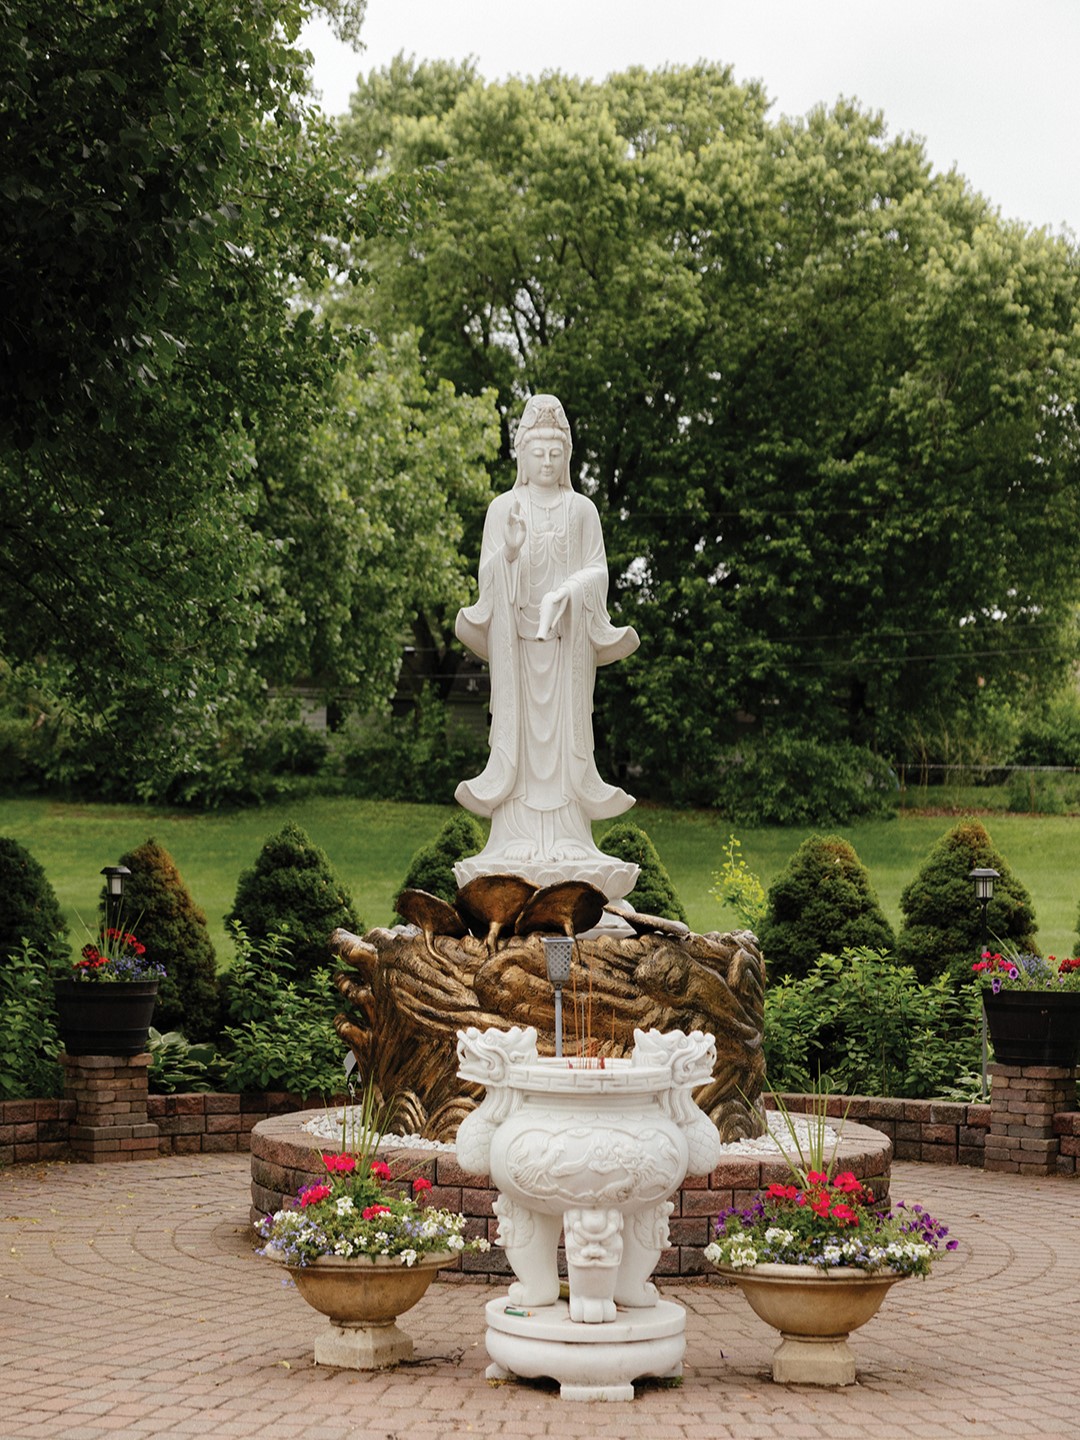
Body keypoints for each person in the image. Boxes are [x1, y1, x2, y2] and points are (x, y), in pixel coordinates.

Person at [454, 394, 640, 897]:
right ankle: (513, 837)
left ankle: (569, 838)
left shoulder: (582, 511)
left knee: (564, 743)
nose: (547, 461)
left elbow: (597, 570)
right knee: (519, 740)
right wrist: (511, 553)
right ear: (521, 454)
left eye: (556, 453)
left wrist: (568, 591)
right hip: (517, 649)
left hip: (565, 650)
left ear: (568, 456)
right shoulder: (502, 509)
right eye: (537, 452)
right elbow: (488, 578)